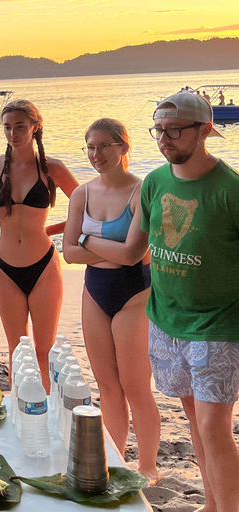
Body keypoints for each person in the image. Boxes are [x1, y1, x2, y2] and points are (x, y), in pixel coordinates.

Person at [142, 92, 239, 512]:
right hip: (166, 321)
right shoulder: (154, 182)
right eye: (158, 129)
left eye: (174, 130)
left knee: (214, 427)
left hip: (218, 326)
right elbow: (141, 247)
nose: (164, 139)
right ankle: (214, 503)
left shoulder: (229, 190)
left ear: (204, 131)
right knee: (195, 422)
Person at [63, 118, 161, 483]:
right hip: (95, 292)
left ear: (124, 146)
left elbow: (133, 255)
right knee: (106, 386)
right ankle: (116, 459)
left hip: (135, 293)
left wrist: (87, 243)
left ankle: (149, 466)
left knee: (136, 385)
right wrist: (103, 251)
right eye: (90, 147)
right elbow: (67, 253)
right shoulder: (82, 194)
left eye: (104, 145)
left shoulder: (142, 192)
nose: (96, 154)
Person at [0, 99, 78, 390]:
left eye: (20, 127)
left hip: (43, 265)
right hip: (6, 267)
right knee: (17, 350)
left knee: (44, 352)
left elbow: (84, 209)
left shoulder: (52, 168)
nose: (13, 134)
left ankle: (45, 413)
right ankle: (20, 415)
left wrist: (50, 229)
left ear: (36, 127)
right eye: (7, 127)